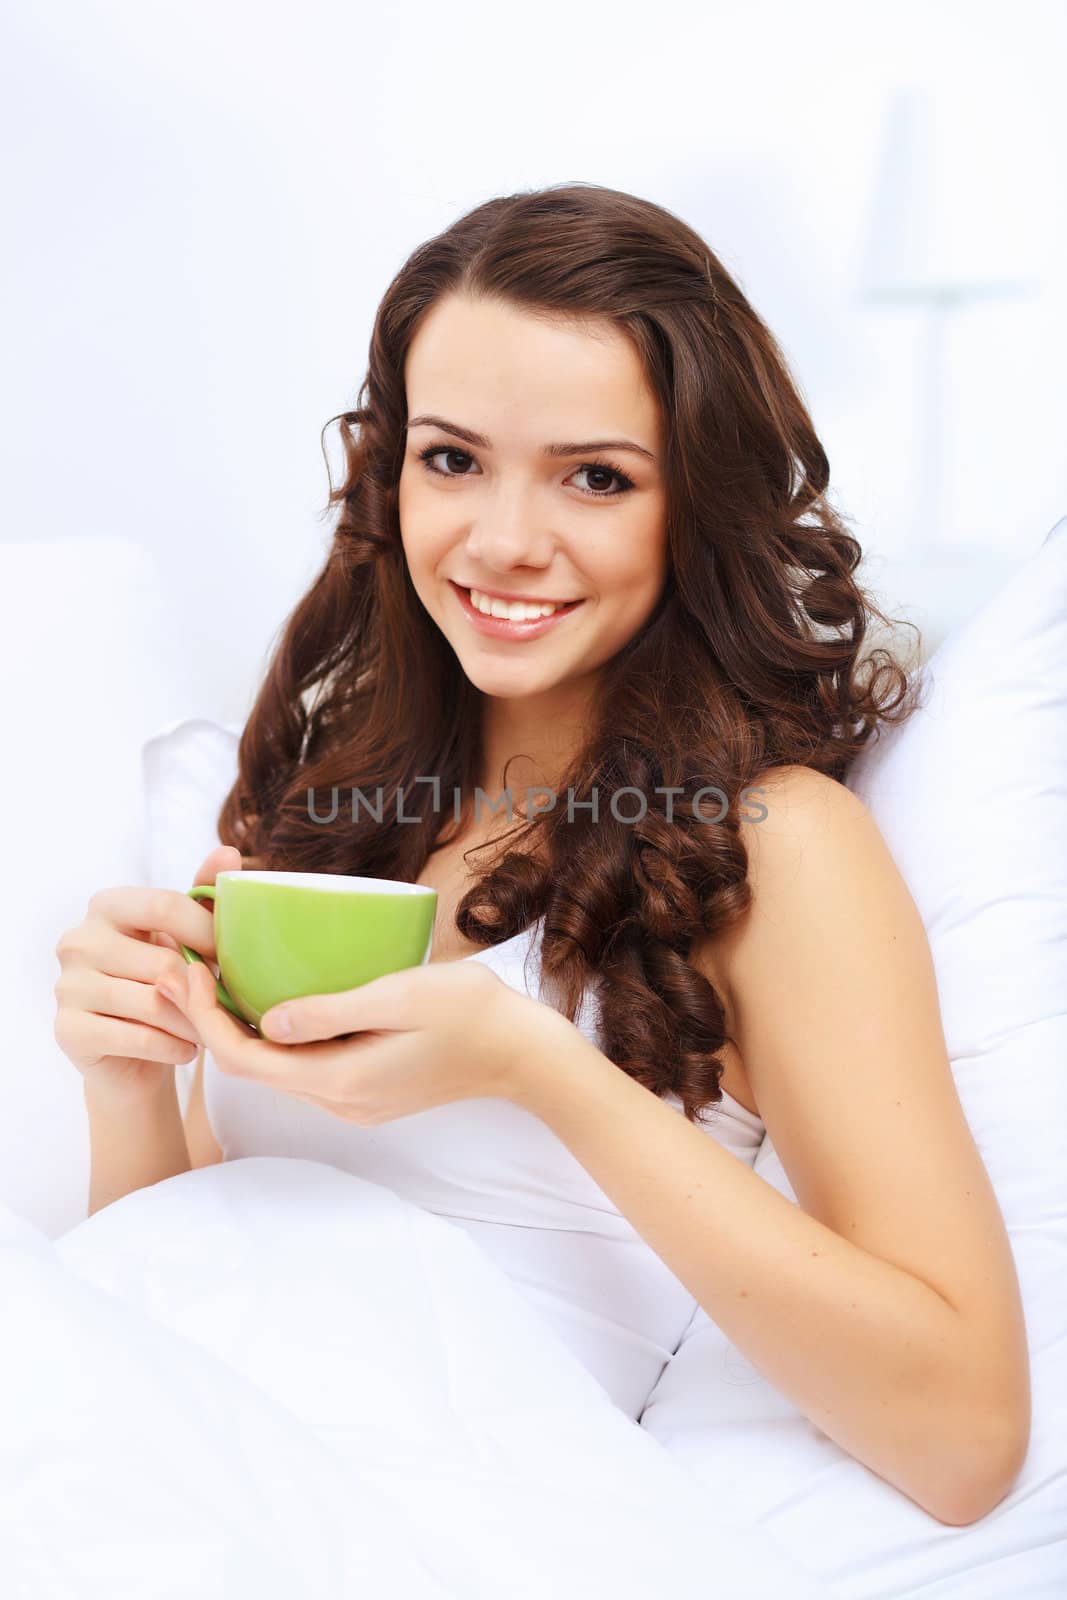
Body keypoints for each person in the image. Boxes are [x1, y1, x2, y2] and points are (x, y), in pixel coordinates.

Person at [53, 181, 1030, 1533]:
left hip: (424, 1516)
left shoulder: (776, 846)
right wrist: (130, 1085)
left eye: (597, 478)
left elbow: (964, 1432)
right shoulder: (345, 804)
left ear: (698, 504)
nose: (505, 541)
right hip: (173, 1454)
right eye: (453, 458)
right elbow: (196, 1276)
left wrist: (537, 1071)